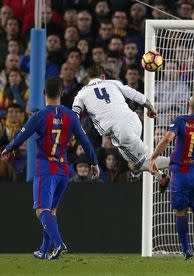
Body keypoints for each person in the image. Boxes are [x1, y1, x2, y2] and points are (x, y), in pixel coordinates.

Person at [1, 77, 100, 260]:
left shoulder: (39, 116)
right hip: (63, 171)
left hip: (46, 170)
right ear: (62, 93)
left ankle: (59, 243)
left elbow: (23, 134)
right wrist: (94, 162)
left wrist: (9, 148)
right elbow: (85, 141)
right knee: (51, 212)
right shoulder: (71, 116)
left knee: (41, 210)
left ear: (44, 93)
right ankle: (44, 250)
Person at [150, 94, 194, 260]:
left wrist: (153, 158)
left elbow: (167, 139)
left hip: (182, 174)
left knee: (181, 211)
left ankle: (187, 250)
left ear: (188, 104)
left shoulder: (181, 120)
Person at [72, 65, 169, 173]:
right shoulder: (113, 83)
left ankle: (177, 162)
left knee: (141, 165)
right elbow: (135, 94)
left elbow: (74, 114)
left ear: (87, 78)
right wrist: (150, 108)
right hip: (134, 120)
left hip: (121, 132)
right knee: (126, 153)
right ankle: (162, 177)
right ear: (103, 77)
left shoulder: (81, 93)